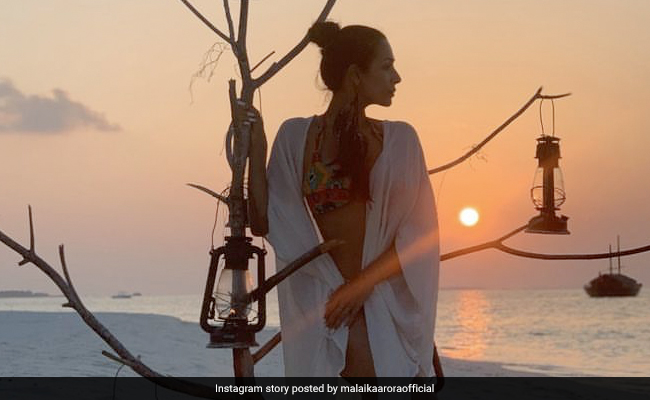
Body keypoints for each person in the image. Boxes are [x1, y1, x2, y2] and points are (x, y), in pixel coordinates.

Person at [244, 21, 440, 378]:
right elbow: (265, 222)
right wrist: (256, 151)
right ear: (355, 75)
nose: (396, 77)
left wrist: (361, 287)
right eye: (386, 66)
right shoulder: (295, 137)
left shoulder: (401, 141)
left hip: (383, 305)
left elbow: (418, 236)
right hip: (326, 306)